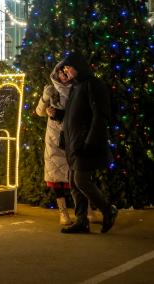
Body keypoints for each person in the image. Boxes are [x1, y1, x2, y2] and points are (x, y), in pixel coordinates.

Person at [60, 52, 118, 234]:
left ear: (77, 67)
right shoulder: (76, 87)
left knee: (80, 180)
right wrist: (59, 117)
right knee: (73, 181)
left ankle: (108, 210)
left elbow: (99, 116)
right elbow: (73, 116)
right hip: (74, 143)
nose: (66, 71)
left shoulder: (93, 85)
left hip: (85, 143)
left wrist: (90, 142)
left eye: (68, 68)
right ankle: (81, 220)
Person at [36, 62, 73, 225]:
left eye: (66, 72)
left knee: (77, 175)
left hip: (71, 135)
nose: (63, 76)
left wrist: (60, 113)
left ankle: (86, 210)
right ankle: (63, 213)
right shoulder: (51, 90)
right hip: (53, 137)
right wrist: (45, 99)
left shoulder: (76, 88)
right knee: (56, 175)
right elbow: (39, 112)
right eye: (61, 73)